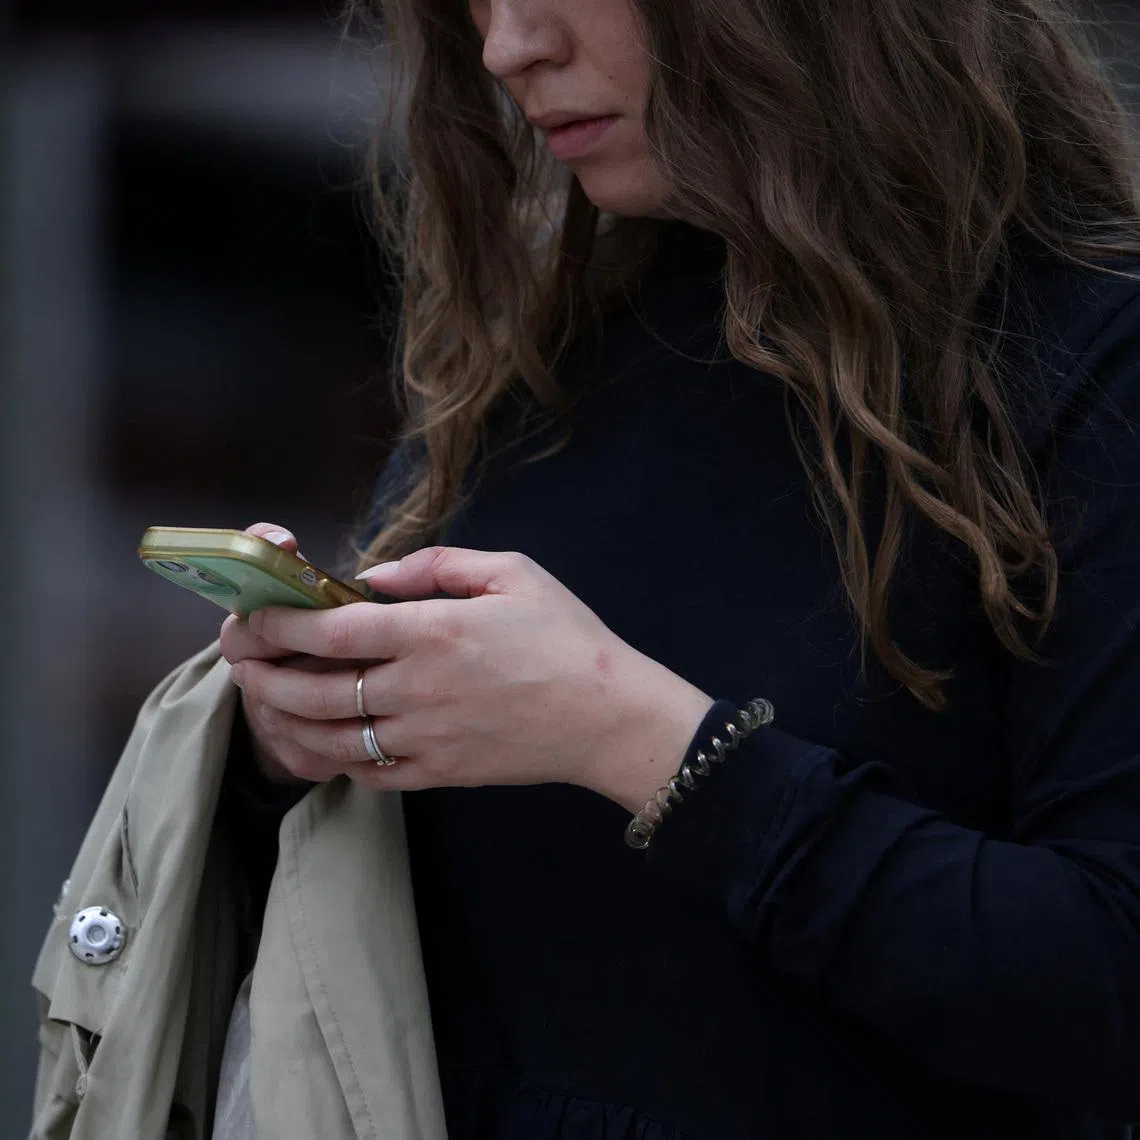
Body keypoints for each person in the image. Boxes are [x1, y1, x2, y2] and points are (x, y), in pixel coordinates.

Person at [148, 0, 1140, 1137]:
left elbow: (1108, 982)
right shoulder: (543, 332)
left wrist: (635, 740)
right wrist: (305, 731)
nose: (507, 46)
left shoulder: (1090, 355)